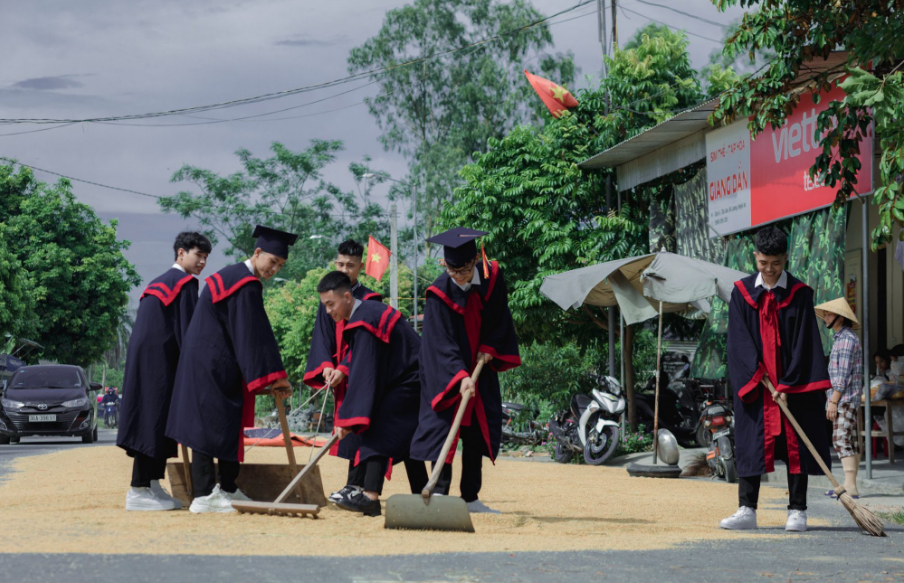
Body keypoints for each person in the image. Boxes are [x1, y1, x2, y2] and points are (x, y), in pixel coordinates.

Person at [166, 225, 295, 514]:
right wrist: (276, 376)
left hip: (210, 361)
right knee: (205, 426)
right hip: (211, 364)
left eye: (280, 265)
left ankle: (227, 486)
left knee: (224, 424)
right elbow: (253, 334)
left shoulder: (230, 276)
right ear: (257, 252)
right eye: (273, 261)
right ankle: (203, 496)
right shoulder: (244, 284)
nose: (274, 268)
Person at [721, 226, 832, 533]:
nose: (769, 270)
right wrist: (757, 376)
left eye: (776, 264)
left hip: (791, 388)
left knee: (796, 444)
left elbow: (805, 343)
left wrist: (788, 384)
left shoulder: (799, 295)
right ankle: (747, 509)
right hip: (757, 387)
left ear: (786, 258)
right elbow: (738, 340)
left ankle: (797, 510)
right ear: (755, 256)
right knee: (750, 442)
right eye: (763, 263)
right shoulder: (742, 294)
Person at [409, 227, 521, 514]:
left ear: (476, 260)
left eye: (465, 270)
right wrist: (458, 376)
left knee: (475, 434)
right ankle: (441, 496)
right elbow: (439, 343)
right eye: (452, 270)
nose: (459, 276)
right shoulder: (437, 294)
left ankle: (470, 498)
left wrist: (490, 346)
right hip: (448, 374)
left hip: (481, 368)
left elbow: (500, 317)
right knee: (444, 429)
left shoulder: (492, 278)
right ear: (444, 265)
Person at [315, 271, 428, 516]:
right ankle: (422, 495)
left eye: (331, 304)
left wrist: (348, 418)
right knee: (408, 442)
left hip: (411, 380)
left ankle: (370, 497)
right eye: (324, 305)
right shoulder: (367, 312)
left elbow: (364, 374)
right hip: (408, 379)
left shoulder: (364, 322)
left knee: (377, 428)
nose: (328, 311)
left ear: (347, 297)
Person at [117, 231, 211, 512]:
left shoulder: (158, 282)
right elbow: (189, 332)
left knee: (156, 421)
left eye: (206, 258)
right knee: (153, 421)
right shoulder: (184, 284)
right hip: (160, 364)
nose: (202, 263)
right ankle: (138, 489)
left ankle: (152, 483)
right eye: (198, 255)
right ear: (181, 253)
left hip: (146, 362)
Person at [303, 240, 383, 506]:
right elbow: (322, 335)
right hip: (337, 375)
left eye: (351, 265)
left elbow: (365, 343)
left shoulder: (370, 300)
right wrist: (326, 364)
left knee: (359, 425)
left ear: (361, 266)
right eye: (340, 263)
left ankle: (356, 485)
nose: (345, 269)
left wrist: (345, 367)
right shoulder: (329, 295)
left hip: (361, 372)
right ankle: (352, 485)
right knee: (346, 426)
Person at [815, 298, 863, 499]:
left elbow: (842, 377)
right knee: (848, 440)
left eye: (829, 313)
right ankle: (849, 484)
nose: (826, 317)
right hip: (846, 398)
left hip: (844, 398)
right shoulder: (842, 338)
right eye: (825, 313)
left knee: (841, 439)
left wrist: (833, 401)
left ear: (840, 317)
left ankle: (850, 487)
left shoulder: (845, 340)